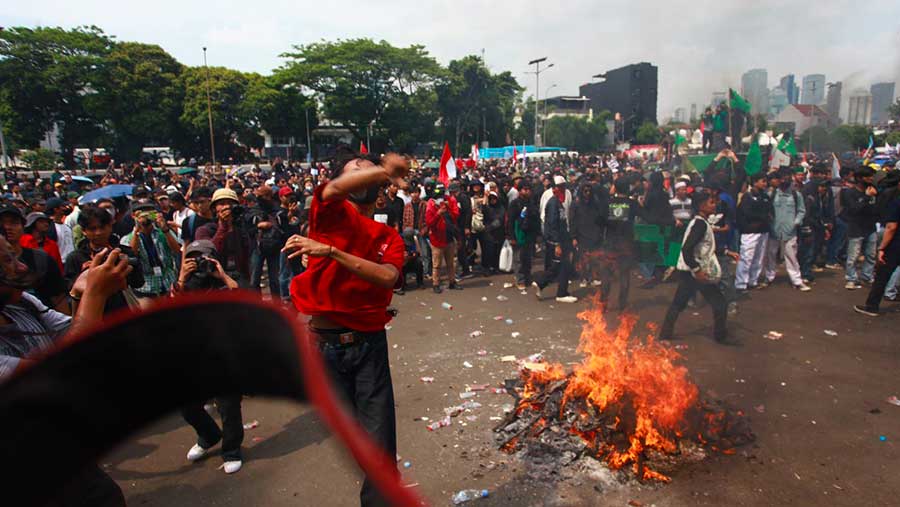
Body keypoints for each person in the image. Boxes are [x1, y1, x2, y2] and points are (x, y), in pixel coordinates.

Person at [284, 147, 408, 507]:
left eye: (369, 171)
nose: (364, 175)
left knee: (380, 451)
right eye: (356, 170)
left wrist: (333, 254)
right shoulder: (330, 216)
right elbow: (332, 191)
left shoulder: (389, 236)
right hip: (323, 350)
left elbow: (388, 277)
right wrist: (384, 169)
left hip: (369, 348)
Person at [0, 234, 131, 507]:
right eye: (6, 261)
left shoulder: (22, 305)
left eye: (14, 257)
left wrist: (80, 293)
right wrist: (94, 294)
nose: (21, 267)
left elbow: (73, 333)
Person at [173, 239, 245, 474]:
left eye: (204, 257)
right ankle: (209, 435)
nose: (200, 264)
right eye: (194, 259)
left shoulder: (227, 281)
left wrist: (222, 275)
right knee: (187, 406)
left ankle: (232, 450)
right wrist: (182, 276)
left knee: (229, 407)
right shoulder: (185, 286)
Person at [659, 191, 735, 344]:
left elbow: (704, 247)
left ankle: (665, 334)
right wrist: (697, 270)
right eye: (711, 203)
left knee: (679, 303)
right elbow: (687, 248)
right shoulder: (700, 224)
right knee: (719, 303)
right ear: (701, 206)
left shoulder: (700, 222)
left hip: (690, 270)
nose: (715, 205)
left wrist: (727, 252)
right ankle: (721, 337)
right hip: (693, 271)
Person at [65, 204, 143, 314]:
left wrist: (123, 269)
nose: (98, 233)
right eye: (92, 229)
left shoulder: (124, 252)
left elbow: (138, 282)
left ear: (110, 226)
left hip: (123, 311)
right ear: (84, 231)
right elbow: (71, 290)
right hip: (93, 314)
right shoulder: (76, 258)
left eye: (102, 227)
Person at [0, 205, 69, 313]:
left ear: (23, 227)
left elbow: (58, 298)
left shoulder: (41, 259)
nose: (7, 227)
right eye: (2, 223)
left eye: (14, 223)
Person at [854, 175, 900, 316]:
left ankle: (872, 306)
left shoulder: (897, 202)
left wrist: (882, 248)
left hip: (895, 245)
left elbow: (891, 227)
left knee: (882, 276)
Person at [121, 199, 180, 299]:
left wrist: (165, 229)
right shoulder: (128, 238)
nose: (146, 216)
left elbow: (176, 250)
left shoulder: (163, 232)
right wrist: (137, 230)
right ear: (133, 216)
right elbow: (132, 254)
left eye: (150, 213)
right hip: (145, 287)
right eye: (142, 213)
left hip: (168, 282)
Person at [762, 170, 810, 291]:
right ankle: (769, 277)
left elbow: (801, 211)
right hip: (774, 230)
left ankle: (797, 280)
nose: (784, 181)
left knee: (791, 256)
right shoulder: (771, 194)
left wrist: (796, 222)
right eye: (782, 178)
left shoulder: (796, 194)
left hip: (790, 230)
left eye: (787, 178)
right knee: (770, 254)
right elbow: (766, 210)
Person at [196, 188, 254, 288]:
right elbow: (209, 253)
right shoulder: (204, 230)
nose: (227, 207)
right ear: (214, 208)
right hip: (215, 282)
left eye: (230, 204)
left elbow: (246, 257)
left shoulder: (240, 230)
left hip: (238, 278)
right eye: (222, 204)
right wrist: (223, 227)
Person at [533, 177, 577, 303]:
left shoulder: (558, 202)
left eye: (564, 186)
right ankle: (560, 293)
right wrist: (557, 244)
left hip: (562, 239)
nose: (563, 189)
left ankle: (543, 284)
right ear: (554, 188)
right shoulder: (553, 203)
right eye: (560, 187)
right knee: (562, 265)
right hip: (557, 241)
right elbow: (552, 224)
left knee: (560, 266)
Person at [596, 178, 638, 311]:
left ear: (615, 187)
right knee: (624, 275)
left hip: (610, 243)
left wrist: (609, 224)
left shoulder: (607, 203)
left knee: (606, 275)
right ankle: (622, 305)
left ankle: (603, 303)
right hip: (626, 245)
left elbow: (598, 220)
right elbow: (647, 216)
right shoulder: (632, 203)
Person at [841, 166, 879, 290]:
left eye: (871, 176)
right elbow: (853, 209)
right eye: (868, 177)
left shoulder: (873, 190)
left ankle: (867, 277)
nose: (871, 179)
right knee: (853, 256)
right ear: (859, 178)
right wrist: (866, 197)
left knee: (871, 255)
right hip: (856, 228)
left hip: (871, 227)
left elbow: (876, 209)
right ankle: (851, 278)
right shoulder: (849, 193)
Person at [735, 173, 773, 292]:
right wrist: (761, 217)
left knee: (759, 257)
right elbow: (746, 214)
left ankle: (753, 280)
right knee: (747, 257)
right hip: (750, 231)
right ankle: (741, 284)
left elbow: (770, 211)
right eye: (763, 181)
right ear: (755, 182)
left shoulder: (765, 196)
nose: (765, 184)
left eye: (766, 181)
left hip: (763, 231)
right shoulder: (747, 197)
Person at [425, 184, 462, 293]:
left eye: (442, 194)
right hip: (437, 240)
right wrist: (438, 213)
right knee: (437, 265)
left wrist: (448, 207)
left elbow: (455, 216)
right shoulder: (430, 206)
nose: (441, 197)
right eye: (438, 195)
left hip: (449, 238)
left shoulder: (448, 202)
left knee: (451, 264)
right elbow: (429, 223)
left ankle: (452, 282)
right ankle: (436, 284)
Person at [248, 185, 284, 296]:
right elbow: (248, 230)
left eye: (268, 196)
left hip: (274, 247)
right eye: (264, 196)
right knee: (254, 279)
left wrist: (272, 225)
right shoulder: (253, 211)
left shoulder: (276, 210)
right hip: (258, 248)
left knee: (275, 280)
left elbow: (283, 228)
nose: (267, 199)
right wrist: (259, 226)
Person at [506, 181, 540, 289]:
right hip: (518, 234)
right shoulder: (515, 204)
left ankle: (527, 277)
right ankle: (520, 280)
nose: (528, 191)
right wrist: (511, 236)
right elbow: (510, 221)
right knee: (519, 258)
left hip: (529, 235)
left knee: (528, 258)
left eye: (529, 189)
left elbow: (536, 220)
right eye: (525, 189)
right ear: (520, 191)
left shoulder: (532, 203)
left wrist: (537, 235)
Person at [570, 182, 604, 287]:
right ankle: (583, 278)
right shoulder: (575, 204)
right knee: (583, 258)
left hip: (594, 234)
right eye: (585, 191)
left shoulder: (595, 203)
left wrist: (600, 232)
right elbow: (573, 221)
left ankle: (594, 277)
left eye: (589, 191)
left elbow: (600, 219)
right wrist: (573, 237)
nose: (587, 193)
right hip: (581, 234)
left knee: (595, 258)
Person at [481, 190, 506, 274]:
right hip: (489, 234)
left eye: (494, 198)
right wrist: (485, 197)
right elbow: (483, 209)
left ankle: (496, 267)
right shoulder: (488, 208)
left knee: (497, 251)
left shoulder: (501, 208)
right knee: (488, 251)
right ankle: (487, 268)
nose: (492, 200)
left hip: (498, 233)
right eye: (490, 199)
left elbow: (500, 219)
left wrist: (491, 227)